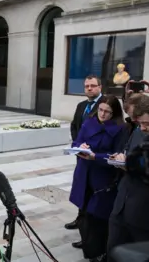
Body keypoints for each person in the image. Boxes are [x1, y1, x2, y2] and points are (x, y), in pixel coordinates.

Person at [69, 95, 128, 262]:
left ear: (114, 113)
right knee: (83, 212)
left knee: (98, 217)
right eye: (101, 110)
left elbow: (117, 156)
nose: (102, 114)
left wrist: (96, 157)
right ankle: (87, 243)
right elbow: (76, 142)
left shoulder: (120, 128)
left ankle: (99, 252)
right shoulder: (89, 122)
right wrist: (80, 147)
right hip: (83, 173)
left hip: (102, 177)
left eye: (107, 112)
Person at [107, 97, 149, 261]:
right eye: (140, 124)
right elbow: (128, 149)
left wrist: (133, 167)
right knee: (113, 253)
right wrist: (122, 157)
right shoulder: (139, 130)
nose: (142, 128)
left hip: (148, 219)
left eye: (147, 123)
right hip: (121, 208)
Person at [67, 75, 103, 248]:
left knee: (91, 190)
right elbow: (74, 126)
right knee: (81, 187)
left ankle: (88, 230)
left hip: (96, 157)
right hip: (81, 154)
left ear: (100, 87)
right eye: (86, 86)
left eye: (93, 86)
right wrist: (77, 144)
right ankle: (80, 218)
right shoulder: (81, 105)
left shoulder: (105, 106)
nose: (89, 88)